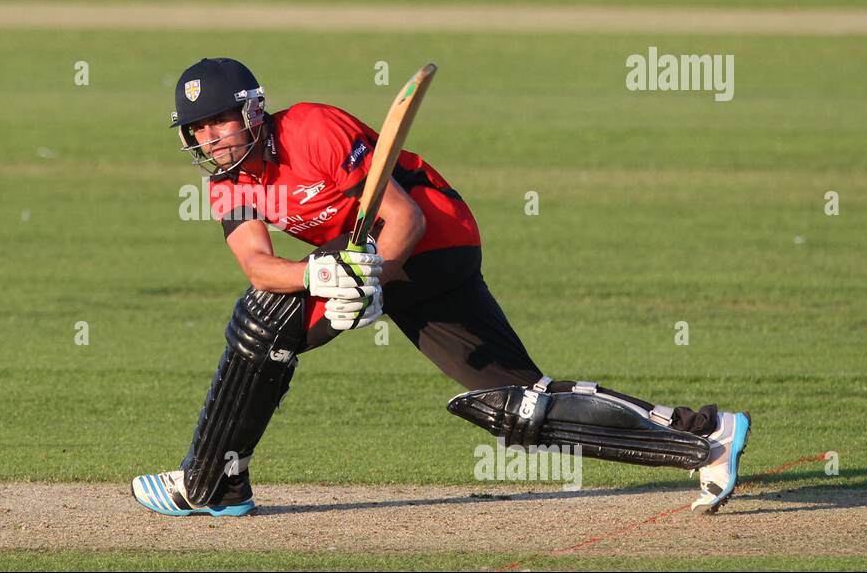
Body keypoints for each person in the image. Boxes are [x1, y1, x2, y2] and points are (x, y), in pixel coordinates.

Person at [130, 57, 750, 517]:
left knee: (266, 323)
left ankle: (212, 480)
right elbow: (260, 267)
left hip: (436, 245)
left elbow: (405, 218)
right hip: (362, 258)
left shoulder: (315, 129)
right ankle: (704, 436)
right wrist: (320, 274)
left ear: (252, 111)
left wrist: (367, 282)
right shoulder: (229, 183)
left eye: (218, 123)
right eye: (197, 130)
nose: (210, 139)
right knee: (515, 407)